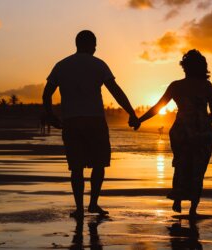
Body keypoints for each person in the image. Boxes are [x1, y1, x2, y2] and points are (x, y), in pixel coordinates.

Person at [43, 30, 140, 218]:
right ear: (91, 45)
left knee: (76, 167)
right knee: (99, 164)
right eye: (95, 45)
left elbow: (46, 94)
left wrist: (51, 115)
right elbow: (116, 92)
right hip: (95, 121)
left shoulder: (61, 65)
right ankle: (93, 204)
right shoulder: (99, 65)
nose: (95, 48)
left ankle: (79, 209)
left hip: (71, 121)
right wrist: (132, 113)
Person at [138, 49, 212, 217]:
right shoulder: (207, 85)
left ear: (185, 67)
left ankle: (178, 199)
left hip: (181, 132)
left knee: (181, 164)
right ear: (202, 67)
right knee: (198, 170)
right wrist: (202, 124)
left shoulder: (176, 86)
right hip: (203, 134)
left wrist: (139, 120)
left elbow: (157, 108)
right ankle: (193, 210)